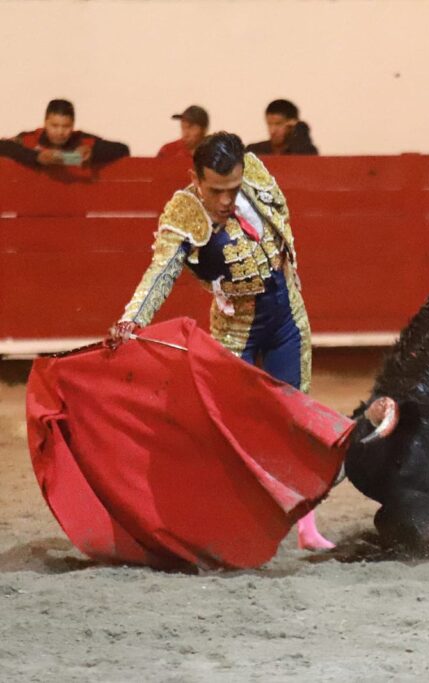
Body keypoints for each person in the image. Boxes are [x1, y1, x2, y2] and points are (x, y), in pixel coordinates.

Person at [106, 132, 333, 550]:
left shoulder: (254, 173)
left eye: (233, 188)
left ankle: (307, 528)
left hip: (286, 314)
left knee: (296, 418)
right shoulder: (184, 212)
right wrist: (131, 320)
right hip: (237, 328)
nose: (227, 199)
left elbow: (281, 231)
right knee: (228, 430)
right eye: (216, 190)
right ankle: (225, 520)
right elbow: (161, 272)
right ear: (195, 179)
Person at [1, 99, 129, 168]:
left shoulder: (82, 140)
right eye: (55, 125)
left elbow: (122, 149)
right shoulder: (31, 139)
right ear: (45, 123)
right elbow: (3, 145)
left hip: (74, 208)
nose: (60, 132)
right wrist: (36, 157)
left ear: (73, 125)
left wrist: (92, 153)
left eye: (66, 126)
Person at [245, 99, 318, 156]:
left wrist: (300, 127)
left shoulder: (303, 150)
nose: (272, 131)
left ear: (291, 125)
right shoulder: (255, 151)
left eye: (278, 124)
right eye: (269, 124)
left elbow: (306, 161)